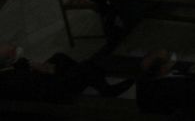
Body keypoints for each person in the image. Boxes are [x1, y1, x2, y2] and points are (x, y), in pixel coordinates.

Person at [0, 44, 131, 102]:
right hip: (52, 95)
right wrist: (46, 71)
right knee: (85, 66)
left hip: (41, 83)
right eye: (14, 52)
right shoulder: (13, 78)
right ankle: (106, 90)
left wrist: (33, 66)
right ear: (8, 60)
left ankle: (89, 77)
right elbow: (41, 87)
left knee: (59, 57)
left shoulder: (9, 69)